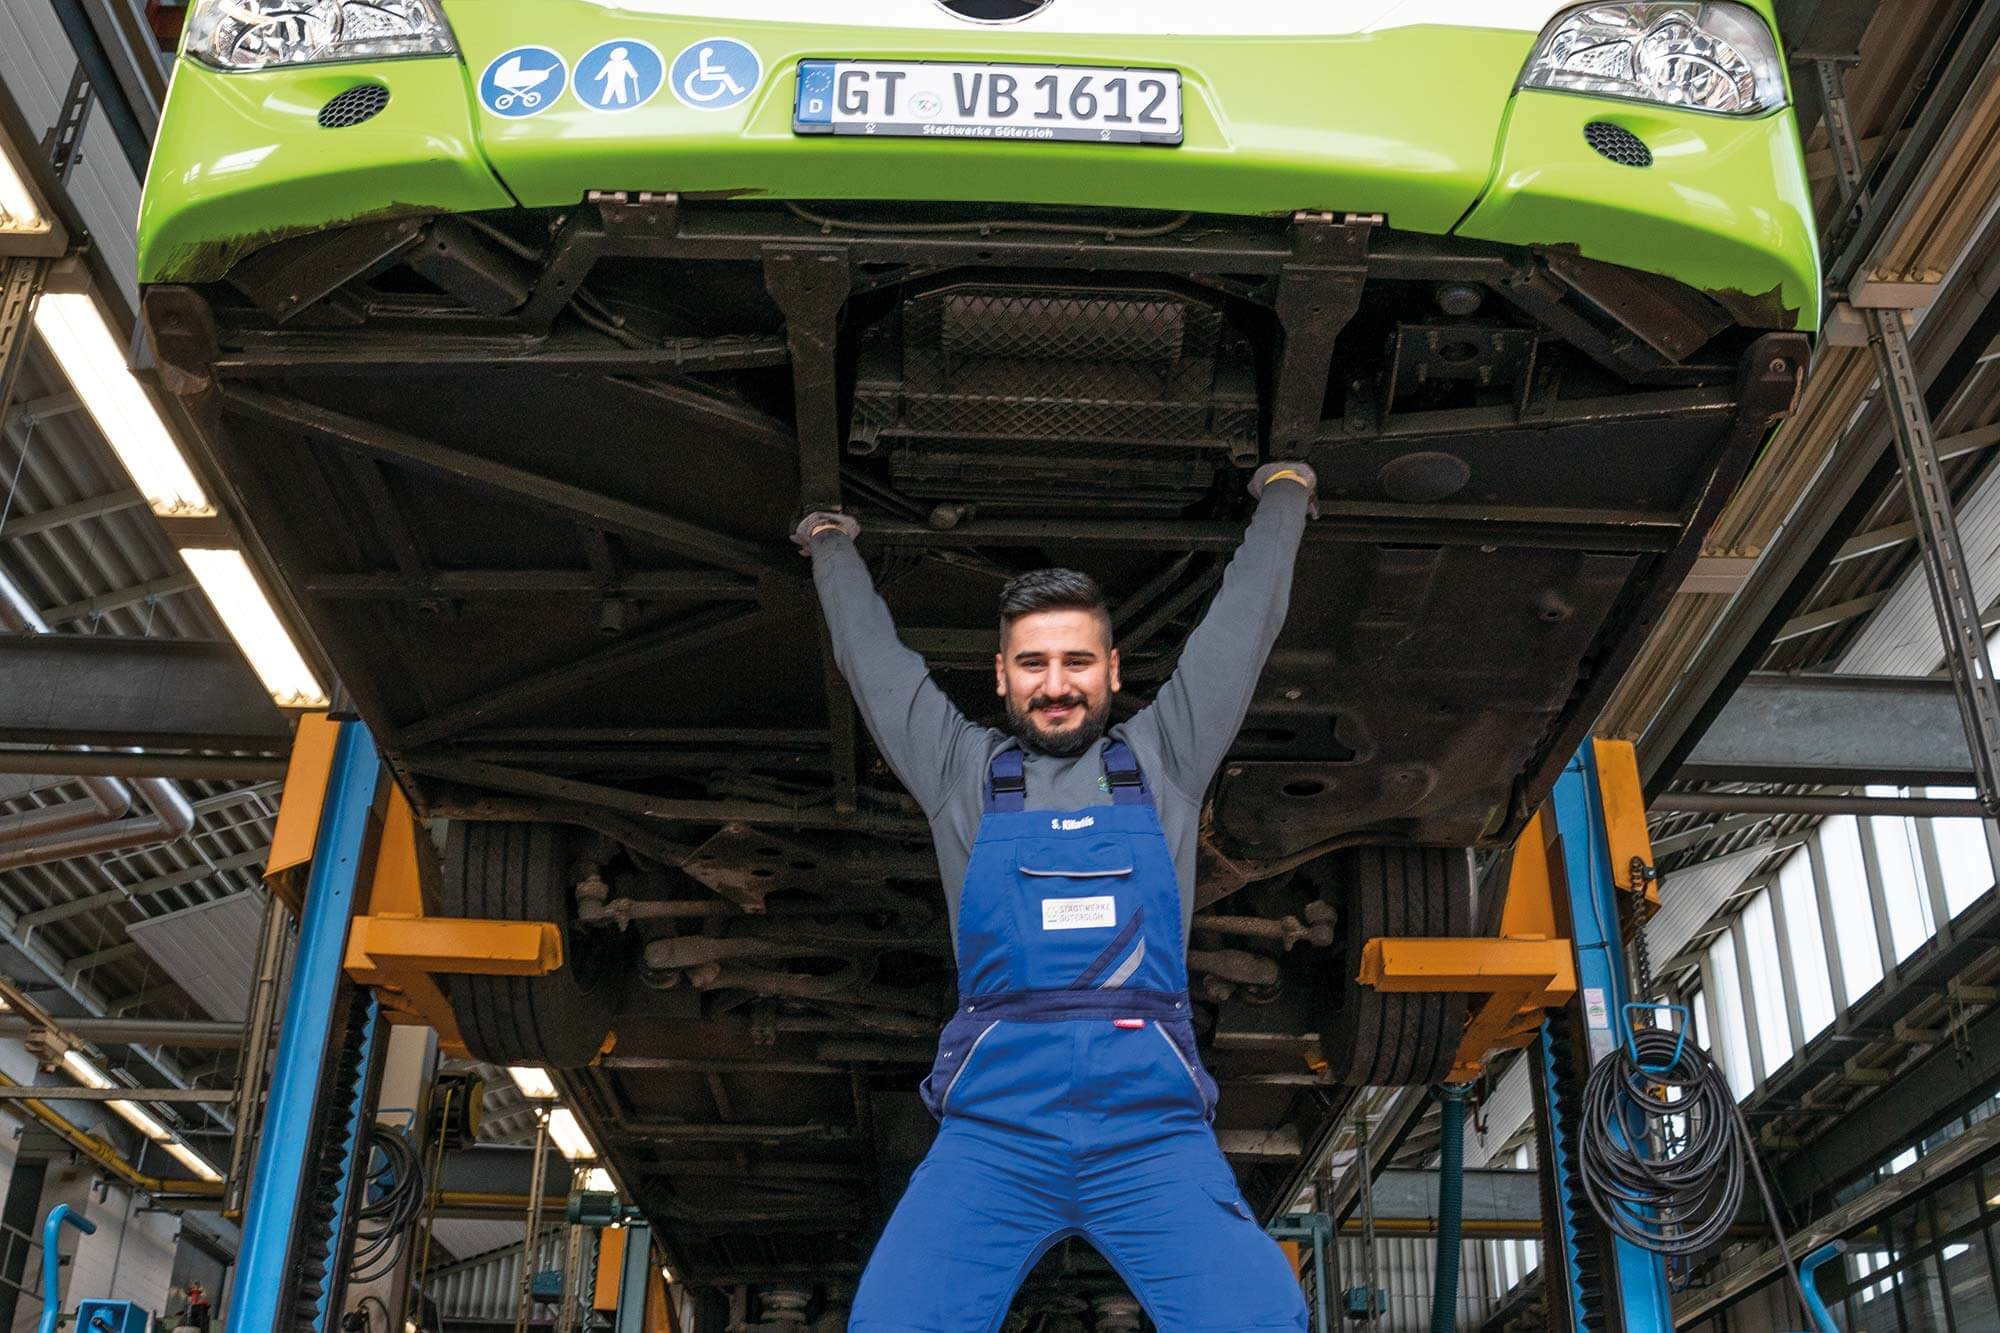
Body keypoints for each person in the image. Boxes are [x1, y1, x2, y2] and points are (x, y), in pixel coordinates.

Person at [792, 462, 1319, 1332]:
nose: (1056, 681)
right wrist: (831, 546)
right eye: (1033, 662)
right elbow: (876, 667)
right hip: (995, 1136)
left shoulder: (1166, 761)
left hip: (1151, 1136)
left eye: (1077, 660)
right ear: (1001, 676)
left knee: (1258, 1316)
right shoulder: (962, 772)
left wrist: (1287, 496)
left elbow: (1241, 627)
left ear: (1112, 668)